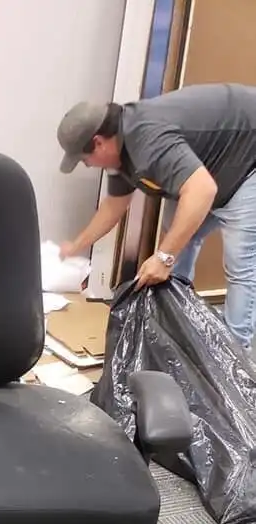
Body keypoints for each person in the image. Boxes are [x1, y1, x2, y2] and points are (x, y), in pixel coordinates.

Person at [57, 83, 256, 351]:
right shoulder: (121, 151)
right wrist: (77, 245)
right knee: (177, 239)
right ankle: (177, 327)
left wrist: (163, 258)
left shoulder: (147, 141)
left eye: (85, 159)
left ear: (98, 142)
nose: (88, 165)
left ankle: (234, 357)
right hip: (212, 167)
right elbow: (114, 205)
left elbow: (201, 189)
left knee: (240, 264)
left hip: (248, 158)